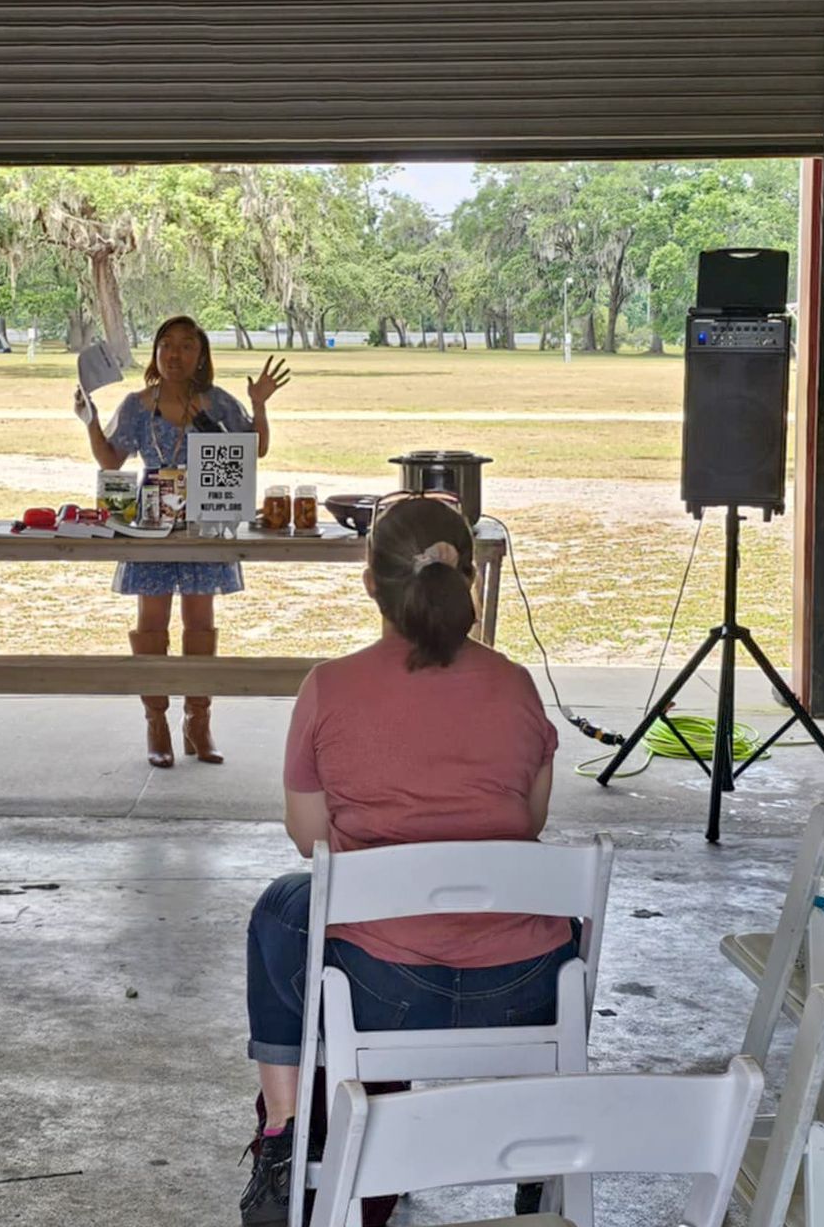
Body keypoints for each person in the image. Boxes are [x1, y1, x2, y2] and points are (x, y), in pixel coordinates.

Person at [236, 496, 575, 1225]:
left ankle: (287, 1134)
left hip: (384, 994)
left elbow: (310, 839)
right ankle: (542, 1169)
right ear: (471, 581)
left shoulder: (330, 688)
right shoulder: (515, 684)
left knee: (282, 907)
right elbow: (532, 818)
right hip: (524, 993)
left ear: (369, 585)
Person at [75, 316, 290, 768]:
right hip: (150, 525)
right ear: (155, 354)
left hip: (205, 524)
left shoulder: (216, 403)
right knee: (151, 624)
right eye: (166, 346)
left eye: (187, 346)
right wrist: (90, 421)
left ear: (201, 356)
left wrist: (260, 405)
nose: (175, 355)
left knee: (199, 623)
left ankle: (199, 720)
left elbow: (254, 449)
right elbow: (112, 459)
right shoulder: (137, 406)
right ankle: (156, 721)